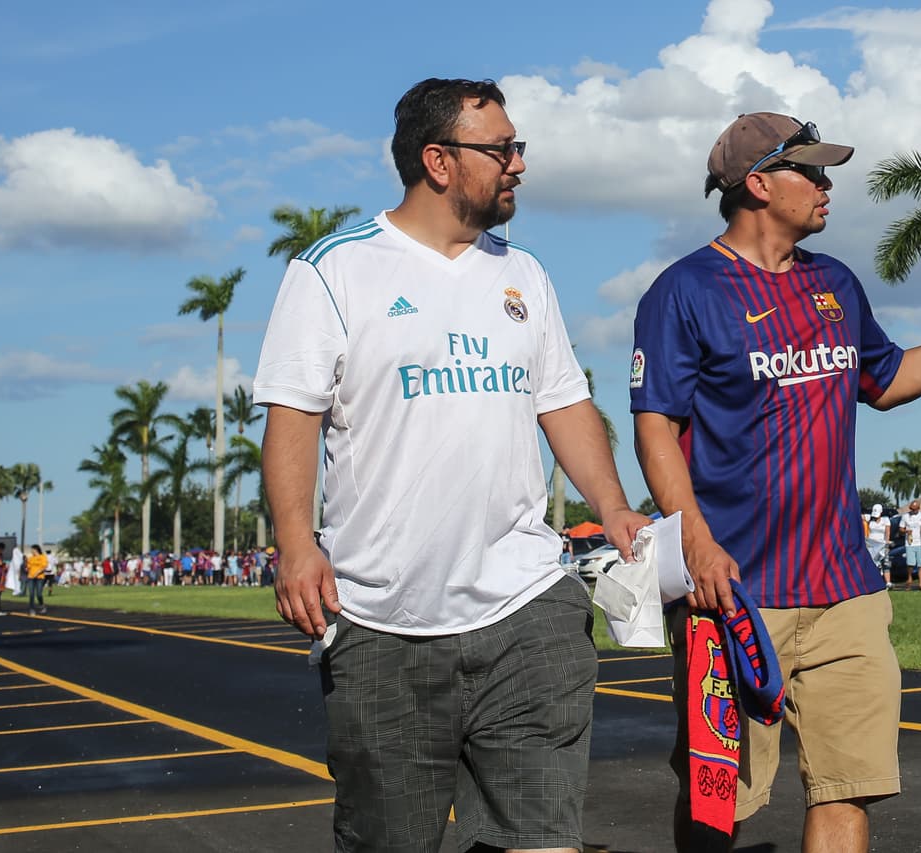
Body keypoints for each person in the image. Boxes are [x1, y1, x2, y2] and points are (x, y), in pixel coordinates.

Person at [630, 111, 921, 851]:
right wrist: (693, 538)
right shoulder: (683, 291)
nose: (828, 187)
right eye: (812, 172)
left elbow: (885, 380)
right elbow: (654, 425)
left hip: (844, 588)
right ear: (757, 184)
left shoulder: (835, 283)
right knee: (718, 800)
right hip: (732, 592)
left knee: (847, 786)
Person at [255, 77, 650, 853]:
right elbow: (292, 415)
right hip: (380, 623)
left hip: (526, 610)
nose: (518, 165)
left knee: (541, 840)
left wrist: (613, 504)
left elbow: (563, 402)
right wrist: (296, 543)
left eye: (517, 147)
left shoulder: (523, 275)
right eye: (502, 149)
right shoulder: (333, 270)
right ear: (438, 160)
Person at [901, 500, 921, 591]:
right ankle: (910, 578)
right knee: (910, 563)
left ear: (918, 508)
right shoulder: (905, 516)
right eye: (911, 509)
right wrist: (906, 531)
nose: (913, 511)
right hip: (910, 543)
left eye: (914, 509)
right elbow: (901, 528)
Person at [866, 504, 892, 588]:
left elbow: (887, 532)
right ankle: (874, 581)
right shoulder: (869, 519)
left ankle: (888, 582)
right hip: (872, 545)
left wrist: (887, 542)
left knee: (885, 563)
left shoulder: (885, 520)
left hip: (882, 544)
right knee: (873, 563)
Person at [26, 544, 48, 614]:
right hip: (31, 577)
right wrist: (27, 569)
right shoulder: (30, 558)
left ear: (36, 550)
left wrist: (37, 573)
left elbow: (44, 566)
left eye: (32, 549)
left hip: (39, 577)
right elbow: (28, 567)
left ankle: (42, 605)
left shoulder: (43, 557)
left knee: (39, 593)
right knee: (31, 594)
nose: (31, 551)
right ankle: (32, 609)